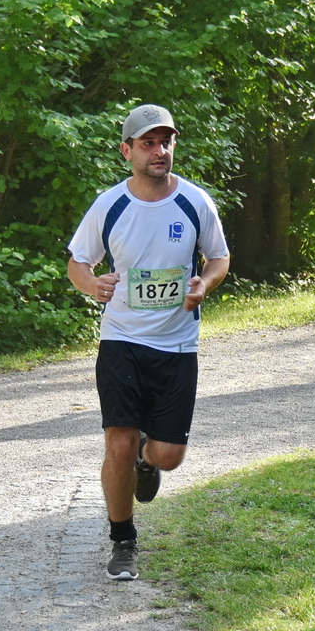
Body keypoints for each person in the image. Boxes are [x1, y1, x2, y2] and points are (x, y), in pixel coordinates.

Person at [67, 104, 231, 582]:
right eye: (148, 143)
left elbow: (218, 258)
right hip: (121, 341)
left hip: (177, 346)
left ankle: (147, 458)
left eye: (166, 142)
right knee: (117, 442)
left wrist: (205, 282)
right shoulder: (109, 205)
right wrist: (90, 284)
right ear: (127, 151)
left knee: (167, 456)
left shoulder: (195, 203)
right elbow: (78, 262)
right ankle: (123, 541)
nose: (159, 151)